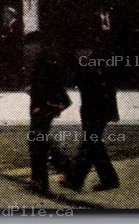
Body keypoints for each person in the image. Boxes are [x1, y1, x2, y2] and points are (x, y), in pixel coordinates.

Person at [65, 26, 120, 192]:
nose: (77, 56)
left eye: (78, 52)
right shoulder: (91, 65)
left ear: (86, 51)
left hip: (95, 109)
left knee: (91, 144)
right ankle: (78, 180)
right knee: (92, 144)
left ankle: (81, 180)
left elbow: (102, 89)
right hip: (96, 109)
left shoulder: (92, 66)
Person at [24, 30, 71, 195]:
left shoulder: (45, 63)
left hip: (43, 107)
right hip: (43, 106)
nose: (27, 50)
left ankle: (41, 180)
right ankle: (61, 169)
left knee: (37, 142)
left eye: (30, 46)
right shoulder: (45, 61)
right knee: (39, 140)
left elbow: (48, 87)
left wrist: (42, 105)